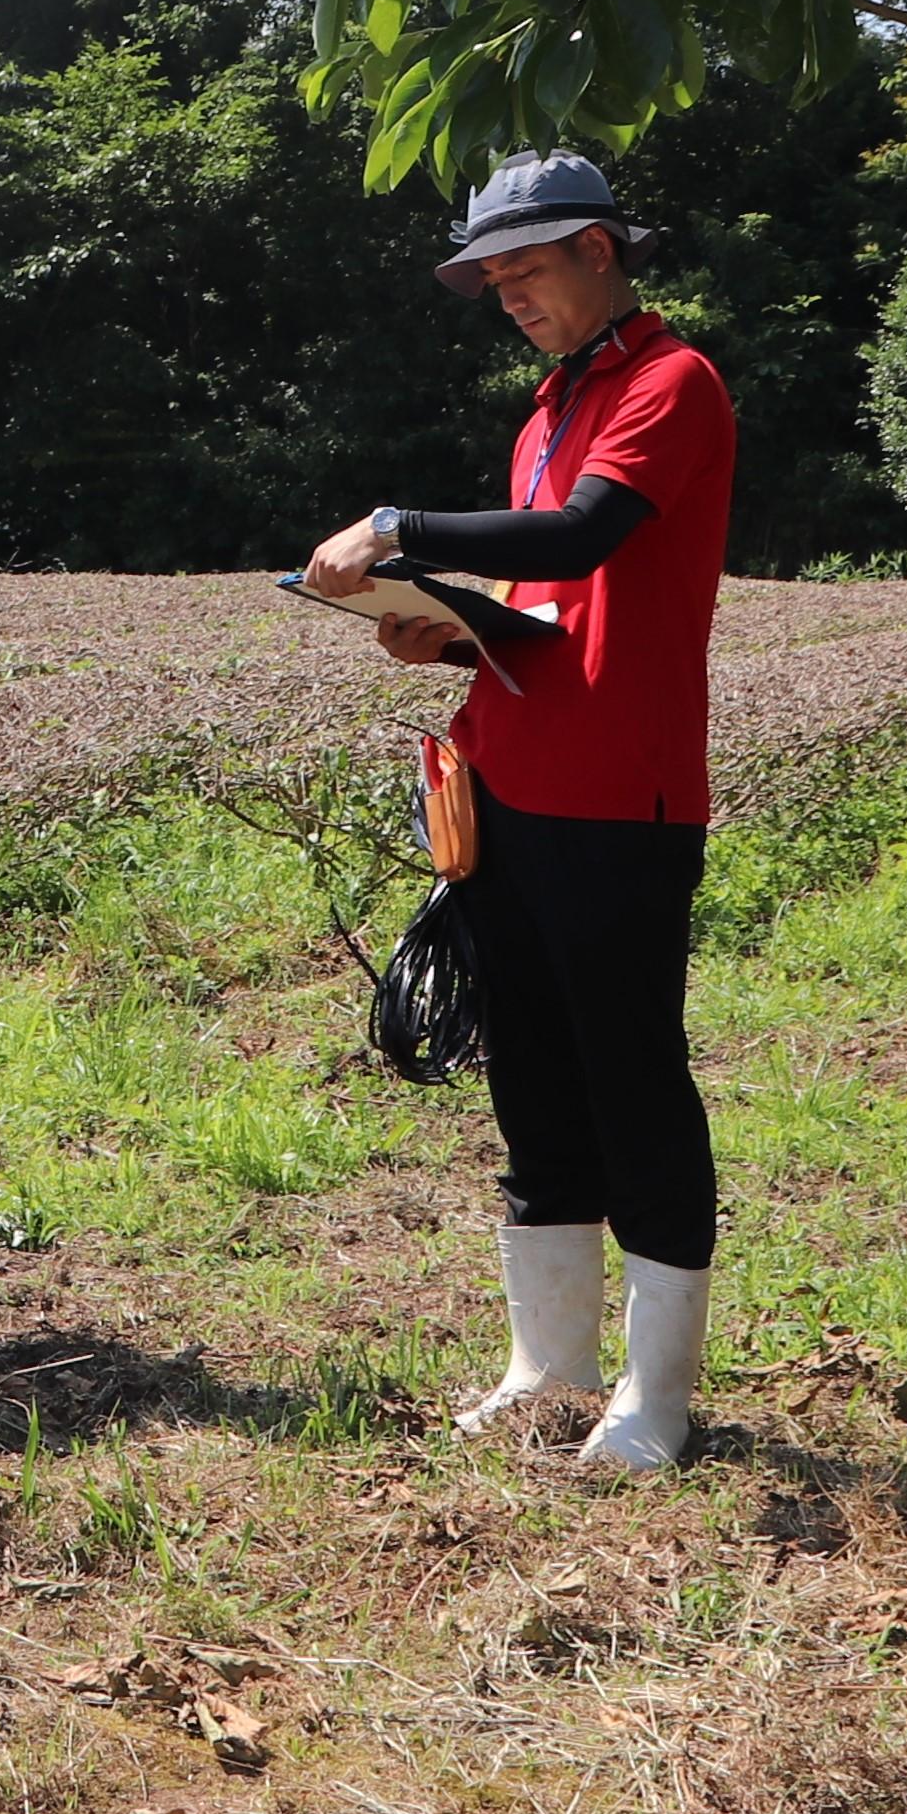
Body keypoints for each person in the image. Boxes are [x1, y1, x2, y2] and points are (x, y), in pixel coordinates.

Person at [305, 152, 735, 1471]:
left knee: (630, 1080)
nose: (506, 295)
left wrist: (395, 529)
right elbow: (547, 610)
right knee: (534, 1077)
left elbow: (578, 541)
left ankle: (653, 1400)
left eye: (525, 268)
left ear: (600, 249)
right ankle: (547, 1364)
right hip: (510, 777)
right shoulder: (548, 405)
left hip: (620, 794)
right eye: (490, 277)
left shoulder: (672, 383)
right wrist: (443, 637)